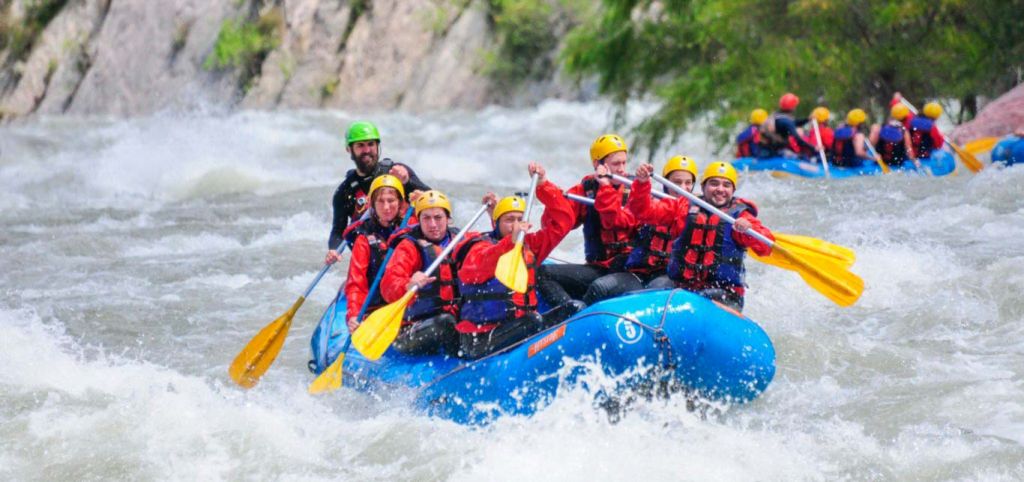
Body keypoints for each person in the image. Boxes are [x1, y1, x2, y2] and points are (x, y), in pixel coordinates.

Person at [453, 163, 580, 359]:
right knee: (533, 321)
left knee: (575, 309)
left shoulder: (530, 246)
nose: (515, 225)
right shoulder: (479, 247)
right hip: (481, 338)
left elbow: (564, 221)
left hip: (521, 327)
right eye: (509, 220)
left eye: (519, 219)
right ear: (496, 223)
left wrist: (543, 184)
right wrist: (509, 243)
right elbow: (479, 268)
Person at [630, 161, 773, 311]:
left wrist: (749, 230)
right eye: (714, 183)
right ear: (703, 187)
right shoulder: (683, 207)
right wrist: (642, 183)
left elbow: (765, 247)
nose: (720, 189)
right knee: (654, 293)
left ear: (733, 190)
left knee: (703, 298)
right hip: (683, 288)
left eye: (726, 185)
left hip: (725, 293)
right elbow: (643, 211)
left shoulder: (741, 216)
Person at [539, 134, 637, 306]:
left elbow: (615, 221)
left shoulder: (637, 190)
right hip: (599, 268)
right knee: (542, 273)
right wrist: (549, 194)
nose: (622, 169)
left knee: (599, 288)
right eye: (616, 164)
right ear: (597, 164)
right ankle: (569, 313)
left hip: (629, 270)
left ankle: (579, 317)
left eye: (624, 162)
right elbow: (555, 223)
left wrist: (606, 188)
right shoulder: (586, 190)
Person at [326, 121, 431, 265]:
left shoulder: (397, 173)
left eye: (370, 144)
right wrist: (333, 249)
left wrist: (407, 182)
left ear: (377, 146)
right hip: (374, 260)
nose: (367, 150)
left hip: (407, 254)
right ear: (349, 149)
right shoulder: (345, 191)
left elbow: (433, 202)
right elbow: (338, 231)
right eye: (360, 145)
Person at [379, 190, 462, 355]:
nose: (432, 224)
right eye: (426, 218)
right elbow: (388, 287)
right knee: (445, 323)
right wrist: (408, 285)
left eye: (438, 218)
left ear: (448, 219)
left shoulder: (460, 241)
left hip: (454, 319)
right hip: (413, 328)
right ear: (419, 220)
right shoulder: (408, 247)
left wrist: (496, 218)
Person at [342, 175, 408, 333]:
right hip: (376, 309)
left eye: (391, 200)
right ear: (371, 203)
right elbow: (356, 282)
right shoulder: (364, 239)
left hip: (405, 308)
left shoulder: (412, 229)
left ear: (400, 203)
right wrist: (354, 315)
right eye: (381, 201)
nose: (386, 207)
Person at [622, 155, 699, 289]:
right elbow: (639, 209)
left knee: (653, 289)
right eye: (677, 182)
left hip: (670, 276)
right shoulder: (654, 204)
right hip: (640, 271)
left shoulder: (698, 211)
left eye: (688, 183)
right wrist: (641, 183)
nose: (683, 188)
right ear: (665, 183)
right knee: (601, 287)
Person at [759, 93, 817, 158]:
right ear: (792, 107)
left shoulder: (777, 116)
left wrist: (807, 119)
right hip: (775, 152)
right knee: (802, 158)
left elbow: (794, 123)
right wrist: (814, 148)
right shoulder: (786, 121)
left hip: (763, 150)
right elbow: (798, 140)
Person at [870, 104, 922, 169]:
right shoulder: (904, 131)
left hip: (879, 164)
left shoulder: (878, 128)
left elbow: (871, 145)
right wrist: (914, 161)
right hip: (897, 165)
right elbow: (909, 150)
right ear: (905, 117)